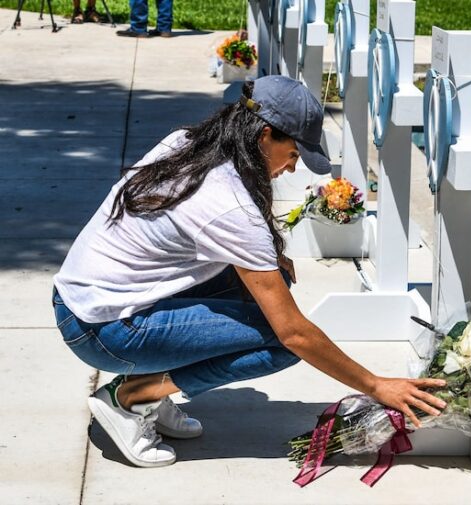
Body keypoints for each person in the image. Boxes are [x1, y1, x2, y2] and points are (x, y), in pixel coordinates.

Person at [52, 75, 446, 468]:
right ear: (265, 135)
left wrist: (270, 255)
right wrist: (377, 385)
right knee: (280, 341)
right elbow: (294, 333)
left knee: (273, 282)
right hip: (104, 330)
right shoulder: (229, 206)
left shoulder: (189, 143)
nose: (292, 169)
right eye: (293, 154)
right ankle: (134, 396)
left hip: (82, 300)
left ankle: (152, 386)